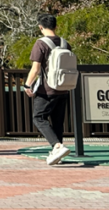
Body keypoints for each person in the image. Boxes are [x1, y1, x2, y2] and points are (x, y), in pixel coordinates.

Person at [23, 14, 72, 166]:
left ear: (40, 27)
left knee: (39, 118)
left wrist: (27, 84)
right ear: (55, 26)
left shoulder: (41, 44)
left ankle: (57, 146)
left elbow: (36, 68)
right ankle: (57, 155)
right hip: (63, 88)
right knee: (57, 123)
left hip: (47, 90)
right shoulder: (65, 44)